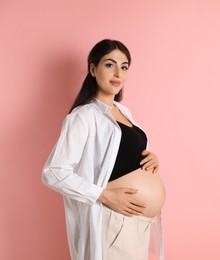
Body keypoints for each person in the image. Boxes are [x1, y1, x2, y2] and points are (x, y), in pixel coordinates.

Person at [42, 39, 166, 260]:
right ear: (93, 69)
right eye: (110, 64)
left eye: (124, 66)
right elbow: (54, 172)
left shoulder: (123, 111)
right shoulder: (83, 116)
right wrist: (104, 195)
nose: (118, 72)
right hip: (114, 220)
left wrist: (151, 158)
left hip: (138, 223)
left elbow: (123, 155)